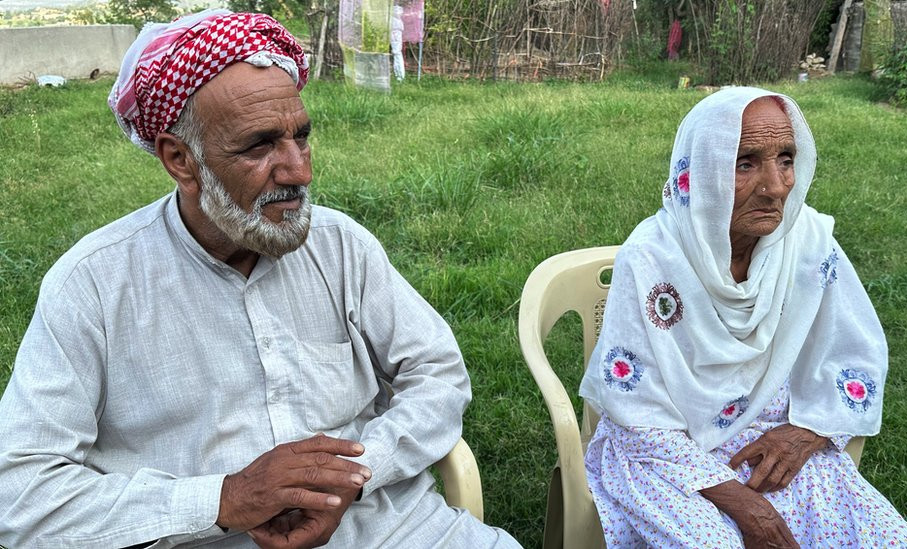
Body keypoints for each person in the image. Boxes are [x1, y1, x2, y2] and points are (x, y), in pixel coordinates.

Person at [0, 10, 520, 549]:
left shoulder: (341, 245)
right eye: (259, 145)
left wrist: (353, 477)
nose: (299, 171)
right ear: (181, 160)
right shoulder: (94, 285)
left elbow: (437, 373)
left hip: (387, 526)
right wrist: (225, 500)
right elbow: (21, 495)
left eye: (302, 137)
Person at [579, 87, 907, 548]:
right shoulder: (651, 258)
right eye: (745, 162)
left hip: (770, 438)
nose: (777, 186)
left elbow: (854, 353)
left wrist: (805, 432)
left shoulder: (806, 244)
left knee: (891, 541)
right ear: (699, 171)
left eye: (786, 158)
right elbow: (635, 409)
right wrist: (745, 506)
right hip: (661, 451)